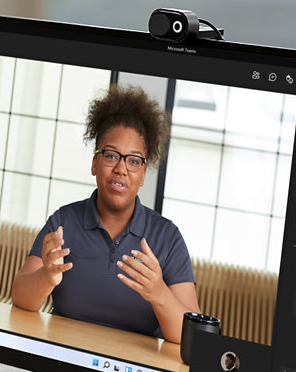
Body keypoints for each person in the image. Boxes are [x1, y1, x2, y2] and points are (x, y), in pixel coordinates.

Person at [12, 85, 199, 344]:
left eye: (134, 161)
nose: (121, 168)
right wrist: (46, 277)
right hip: (64, 357)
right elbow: (20, 298)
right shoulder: (63, 222)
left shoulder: (167, 237)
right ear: (94, 163)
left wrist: (159, 293)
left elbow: (192, 337)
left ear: (143, 174)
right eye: (111, 155)